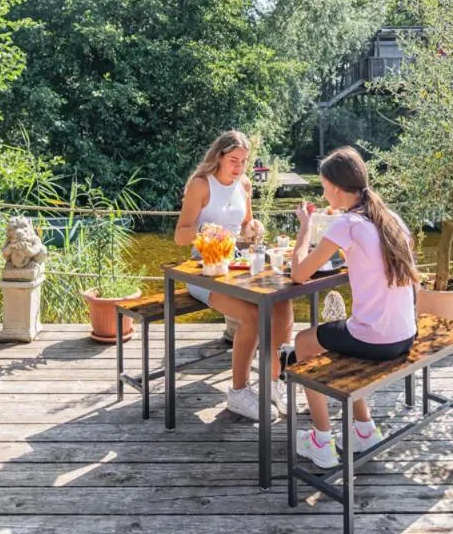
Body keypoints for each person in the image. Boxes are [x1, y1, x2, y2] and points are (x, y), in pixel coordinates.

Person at [286, 146, 418, 468]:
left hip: (376, 340)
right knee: (345, 334)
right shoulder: (390, 220)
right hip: (405, 335)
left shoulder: (348, 223)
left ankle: (320, 439)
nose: (322, 191)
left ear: (334, 186)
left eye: (323, 185)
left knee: (304, 342)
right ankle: (364, 429)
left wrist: (304, 228)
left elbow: (299, 274)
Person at [175, 130, 293, 421]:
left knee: (282, 303)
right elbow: (180, 235)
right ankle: (239, 393)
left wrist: (254, 227)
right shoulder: (200, 185)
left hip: (237, 267)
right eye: (233, 160)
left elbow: (245, 226)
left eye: (243, 161)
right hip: (203, 270)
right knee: (253, 315)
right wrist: (205, 231)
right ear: (219, 157)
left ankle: (275, 382)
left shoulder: (245, 184)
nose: (239, 167)